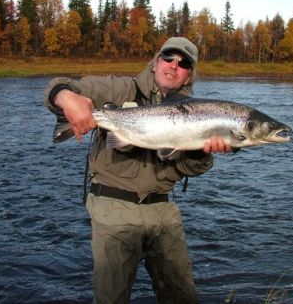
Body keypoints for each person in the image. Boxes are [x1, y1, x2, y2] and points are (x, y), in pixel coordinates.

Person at [44, 37, 232, 304]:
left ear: (188, 75)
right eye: (168, 58)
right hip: (113, 207)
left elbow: (186, 168)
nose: (173, 66)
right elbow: (55, 87)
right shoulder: (119, 89)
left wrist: (204, 152)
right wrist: (66, 98)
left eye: (184, 63)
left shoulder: (192, 112)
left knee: (183, 297)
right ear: (155, 62)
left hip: (163, 209)